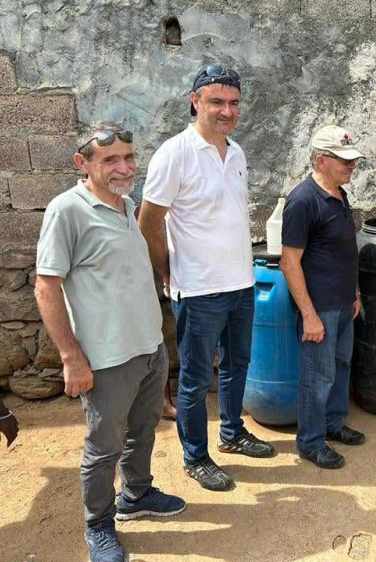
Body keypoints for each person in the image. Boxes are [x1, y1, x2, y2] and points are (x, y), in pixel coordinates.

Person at [35, 124, 185, 562]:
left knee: (143, 428)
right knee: (104, 447)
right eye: (110, 160)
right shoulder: (67, 210)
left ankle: (136, 495)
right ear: (82, 163)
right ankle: (98, 524)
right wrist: (71, 357)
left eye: (129, 157)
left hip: (147, 347)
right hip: (104, 357)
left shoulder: (126, 205)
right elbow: (47, 287)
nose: (124, 167)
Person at [139, 64, 275, 492]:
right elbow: (148, 222)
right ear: (194, 101)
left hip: (240, 282)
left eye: (233, 103)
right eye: (216, 101)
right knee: (196, 379)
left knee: (238, 365)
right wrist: (166, 268)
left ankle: (232, 434)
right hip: (197, 290)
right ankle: (195, 456)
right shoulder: (174, 154)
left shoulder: (236, 152)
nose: (226, 110)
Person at [280, 125, 365, 469]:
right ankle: (311, 442)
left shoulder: (340, 194)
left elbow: (343, 251)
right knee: (318, 377)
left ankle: (332, 423)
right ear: (320, 160)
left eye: (352, 159)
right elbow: (289, 262)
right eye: (343, 160)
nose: (351, 166)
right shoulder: (302, 201)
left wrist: (354, 293)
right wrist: (310, 315)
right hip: (320, 308)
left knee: (341, 367)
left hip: (343, 303)